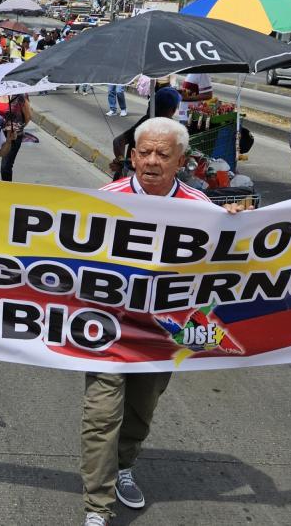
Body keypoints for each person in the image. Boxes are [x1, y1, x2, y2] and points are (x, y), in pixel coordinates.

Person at [85, 117, 214, 526]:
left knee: (140, 411)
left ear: (181, 161)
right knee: (101, 415)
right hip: (107, 330)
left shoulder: (202, 210)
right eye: (145, 153)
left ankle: (124, 465)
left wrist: (237, 225)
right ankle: (97, 506)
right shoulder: (103, 200)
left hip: (162, 334)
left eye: (163, 154)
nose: (152, 162)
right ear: (132, 156)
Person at [110, 87, 181, 180]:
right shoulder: (151, 123)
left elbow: (118, 141)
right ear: (174, 109)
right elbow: (118, 141)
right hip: (135, 176)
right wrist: (123, 163)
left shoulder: (148, 119)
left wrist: (121, 161)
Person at [0, 93, 31, 181]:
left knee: (5, 167)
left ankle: (7, 192)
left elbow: (28, 116)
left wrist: (18, 128)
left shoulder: (20, 96)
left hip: (13, 136)